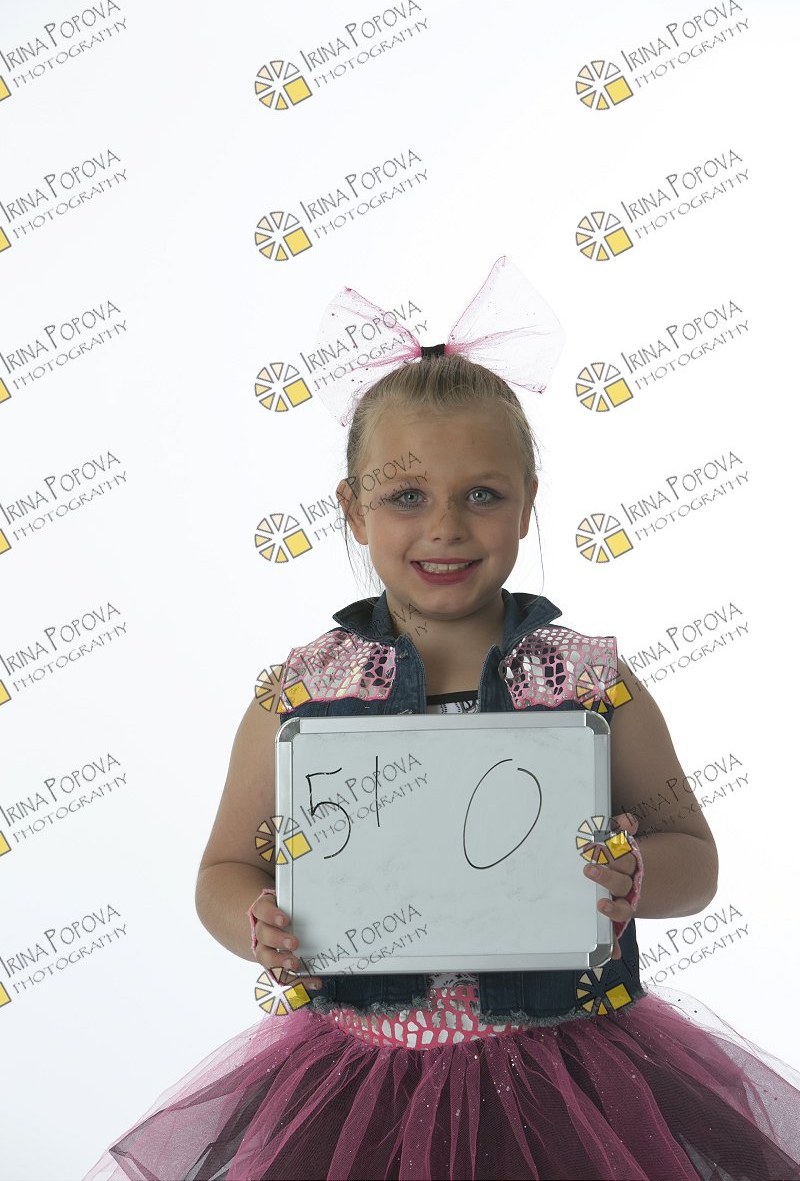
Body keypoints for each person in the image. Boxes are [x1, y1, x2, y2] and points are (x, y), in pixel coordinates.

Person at [84, 263, 800, 1180]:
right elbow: (226, 868)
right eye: (407, 497)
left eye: (483, 495)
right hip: (360, 1076)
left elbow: (692, 861)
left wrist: (636, 876)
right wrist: (256, 920)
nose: (447, 528)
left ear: (529, 503)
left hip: (575, 1071)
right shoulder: (301, 693)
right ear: (354, 510)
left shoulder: (589, 684)